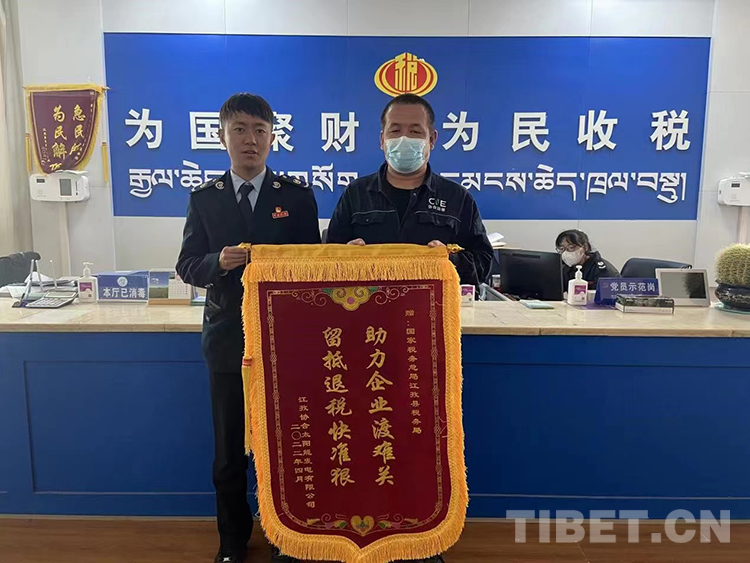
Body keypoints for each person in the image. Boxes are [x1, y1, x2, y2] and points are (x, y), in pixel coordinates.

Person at [176, 93, 320, 563]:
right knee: (229, 451)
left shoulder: (296, 197)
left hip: (286, 341)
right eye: (239, 129)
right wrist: (216, 262)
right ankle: (232, 540)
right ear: (222, 137)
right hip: (227, 341)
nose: (250, 140)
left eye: (260, 130)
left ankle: (286, 536)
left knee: (286, 445)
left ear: (272, 138)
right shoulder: (205, 199)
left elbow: (313, 268)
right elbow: (186, 265)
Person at [326, 94, 493, 289]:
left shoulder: (457, 197)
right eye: (395, 131)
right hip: (368, 303)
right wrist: (345, 257)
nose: (403, 139)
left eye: (415, 131)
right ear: (382, 139)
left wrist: (448, 260)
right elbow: (325, 261)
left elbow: (484, 263)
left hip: (434, 304)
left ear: (432, 139)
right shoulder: (356, 194)